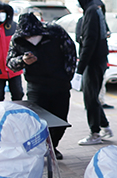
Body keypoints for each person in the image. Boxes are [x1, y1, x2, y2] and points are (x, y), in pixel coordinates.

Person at [7, 13, 77, 160]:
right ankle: (41, 148)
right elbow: (10, 63)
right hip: (36, 86)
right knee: (37, 122)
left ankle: (53, 146)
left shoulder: (55, 32)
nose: (30, 39)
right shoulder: (17, 39)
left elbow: (70, 52)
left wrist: (67, 76)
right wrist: (23, 61)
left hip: (60, 85)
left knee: (60, 120)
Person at [72, 0, 113, 145]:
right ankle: (105, 126)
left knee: (90, 98)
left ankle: (95, 133)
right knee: (92, 97)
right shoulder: (94, 10)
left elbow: (89, 41)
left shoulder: (91, 11)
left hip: (93, 61)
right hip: (98, 60)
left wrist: (80, 68)